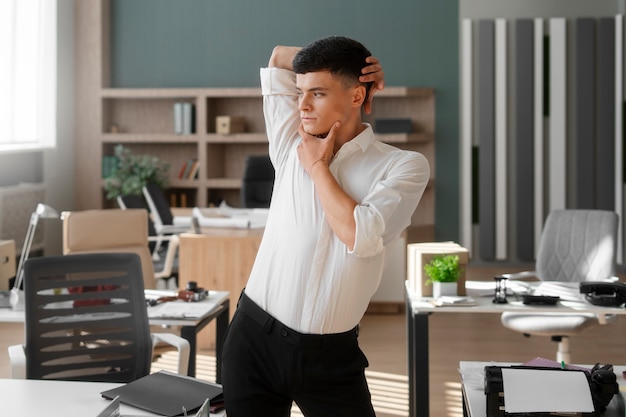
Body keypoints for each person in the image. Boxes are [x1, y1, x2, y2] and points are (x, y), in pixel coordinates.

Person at [221, 35, 430, 417]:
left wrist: (318, 167)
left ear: (355, 97)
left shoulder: (402, 165)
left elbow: (359, 234)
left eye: (317, 93)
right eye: (300, 91)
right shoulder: (288, 142)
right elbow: (277, 58)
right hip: (253, 341)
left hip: (330, 359)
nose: (301, 105)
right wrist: (357, 63)